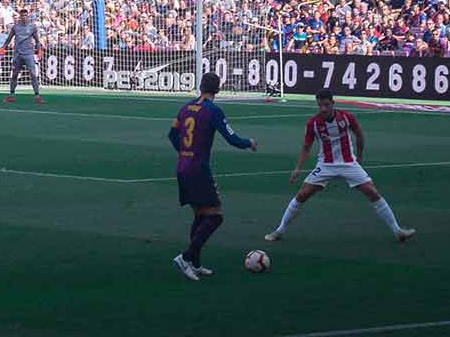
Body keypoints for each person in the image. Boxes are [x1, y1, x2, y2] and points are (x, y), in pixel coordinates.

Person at [265, 89, 414, 242]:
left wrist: (359, 157)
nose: (323, 109)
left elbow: (359, 135)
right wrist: (297, 168)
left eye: (326, 105)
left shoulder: (347, 117)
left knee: (372, 191)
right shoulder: (313, 123)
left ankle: (398, 231)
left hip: (348, 162)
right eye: (320, 105)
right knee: (302, 194)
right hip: (326, 164)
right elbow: (306, 146)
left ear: (333, 103)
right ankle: (279, 230)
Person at [168, 72, 256, 280]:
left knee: (200, 215)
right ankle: (186, 257)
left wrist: (183, 153)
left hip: (182, 166)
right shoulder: (213, 110)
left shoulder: (186, 107)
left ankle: (196, 265)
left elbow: (172, 134)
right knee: (215, 216)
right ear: (217, 89)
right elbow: (231, 138)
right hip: (198, 168)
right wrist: (249, 143)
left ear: (200, 86)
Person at [1, 8, 44, 104]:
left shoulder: (32, 27)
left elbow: (37, 41)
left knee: (33, 74)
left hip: (29, 54)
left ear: (28, 16)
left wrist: (39, 51)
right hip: (18, 54)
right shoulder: (15, 27)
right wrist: (3, 49)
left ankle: (37, 96)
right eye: (22, 16)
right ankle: (11, 95)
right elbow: (9, 39)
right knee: (15, 75)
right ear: (20, 17)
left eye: (26, 15)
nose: (24, 17)